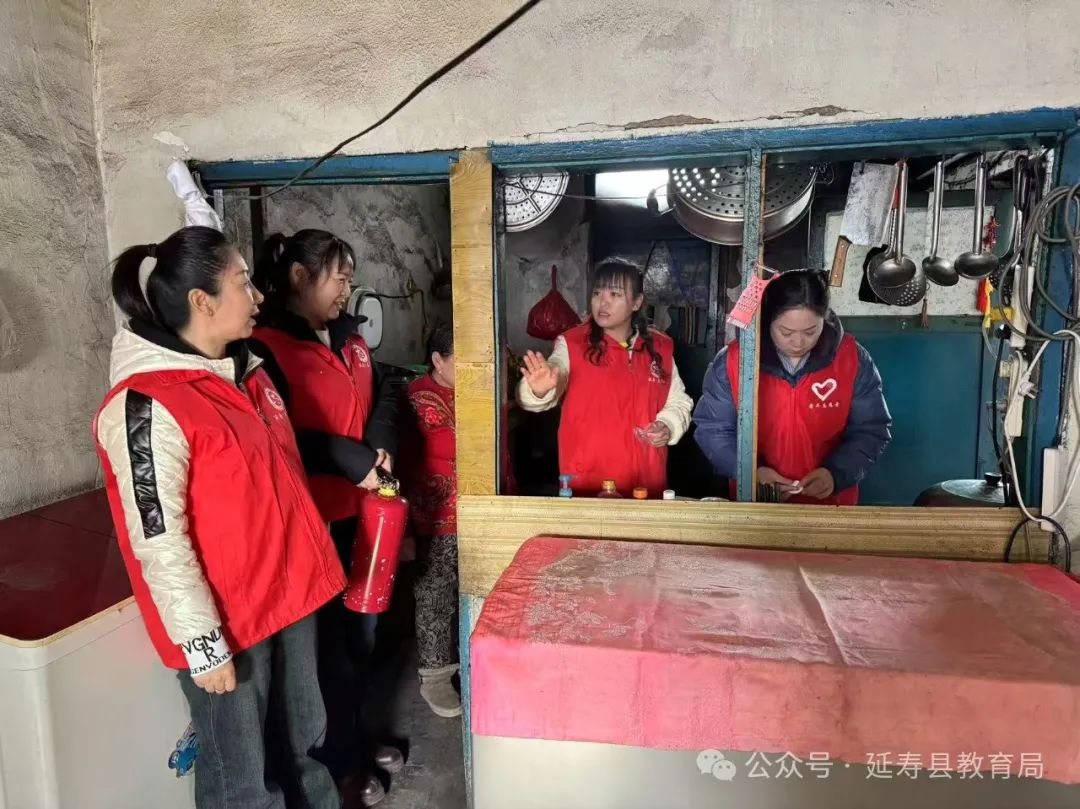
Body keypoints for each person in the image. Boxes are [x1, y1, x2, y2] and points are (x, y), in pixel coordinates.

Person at [93, 226, 345, 809]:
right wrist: (203, 644)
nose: (258, 295)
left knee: (305, 746)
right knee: (243, 782)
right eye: (242, 283)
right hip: (230, 622)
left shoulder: (247, 374)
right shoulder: (145, 405)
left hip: (290, 596)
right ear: (201, 302)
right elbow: (159, 538)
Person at [250, 230, 400, 808]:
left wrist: (380, 447)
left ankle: (357, 739)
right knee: (324, 656)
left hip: (364, 515)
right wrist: (353, 461)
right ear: (299, 277)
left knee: (364, 637)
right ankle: (337, 764)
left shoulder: (349, 339)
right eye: (340, 277)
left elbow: (386, 393)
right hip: (312, 525)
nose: (347, 289)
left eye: (349, 278)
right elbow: (277, 434)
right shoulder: (263, 347)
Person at [694, 268, 892, 504]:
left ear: (825, 318)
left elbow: (871, 429)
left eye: (810, 331)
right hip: (756, 501)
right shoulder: (733, 362)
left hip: (832, 504)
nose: (798, 342)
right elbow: (714, 429)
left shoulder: (852, 359)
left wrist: (836, 474)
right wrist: (751, 473)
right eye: (785, 332)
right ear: (767, 320)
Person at [517, 258, 693, 497]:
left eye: (615, 294)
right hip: (589, 481)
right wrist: (539, 390)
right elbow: (553, 376)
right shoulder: (572, 345)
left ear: (636, 302)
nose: (603, 302)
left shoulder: (660, 348)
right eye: (597, 293)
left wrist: (668, 425)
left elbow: (678, 401)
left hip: (646, 481)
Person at [403, 323, 462, 718]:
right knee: (434, 595)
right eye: (461, 360)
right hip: (434, 515)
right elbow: (403, 463)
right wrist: (406, 528)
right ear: (438, 360)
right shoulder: (414, 399)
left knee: (475, 590)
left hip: (477, 512)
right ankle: (436, 677)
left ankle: (475, 664)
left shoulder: (477, 394)